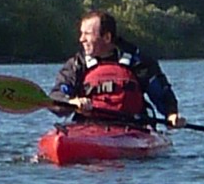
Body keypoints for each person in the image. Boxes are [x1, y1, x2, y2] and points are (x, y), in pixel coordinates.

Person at [51, 9, 184, 128]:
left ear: (107, 37)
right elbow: (57, 95)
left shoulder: (138, 62)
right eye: (81, 33)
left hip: (132, 127)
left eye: (87, 34)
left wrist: (171, 114)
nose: (81, 39)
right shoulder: (77, 65)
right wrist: (71, 102)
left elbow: (161, 92)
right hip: (88, 127)